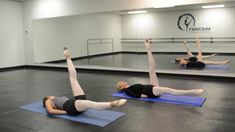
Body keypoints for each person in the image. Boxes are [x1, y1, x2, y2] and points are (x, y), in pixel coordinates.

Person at [42, 48, 127, 116]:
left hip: (76, 102)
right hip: (71, 108)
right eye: (49, 96)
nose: (51, 95)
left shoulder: (56, 98)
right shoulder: (48, 101)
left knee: (73, 79)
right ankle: (111, 104)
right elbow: (50, 111)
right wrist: (66, 112)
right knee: (90, 104)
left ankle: (68, 57)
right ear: (48, 97)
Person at [116, 39, 204, 98]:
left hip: (151, 87)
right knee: (169, 90)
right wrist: (142, 96)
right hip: (150, 91)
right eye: (121, 82)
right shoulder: (127, 90)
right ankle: (193, 92)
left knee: (151, 69)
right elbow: (133, 95)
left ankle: (148, 49)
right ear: (121, 86)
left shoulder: (129, 87)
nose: (122, 81)